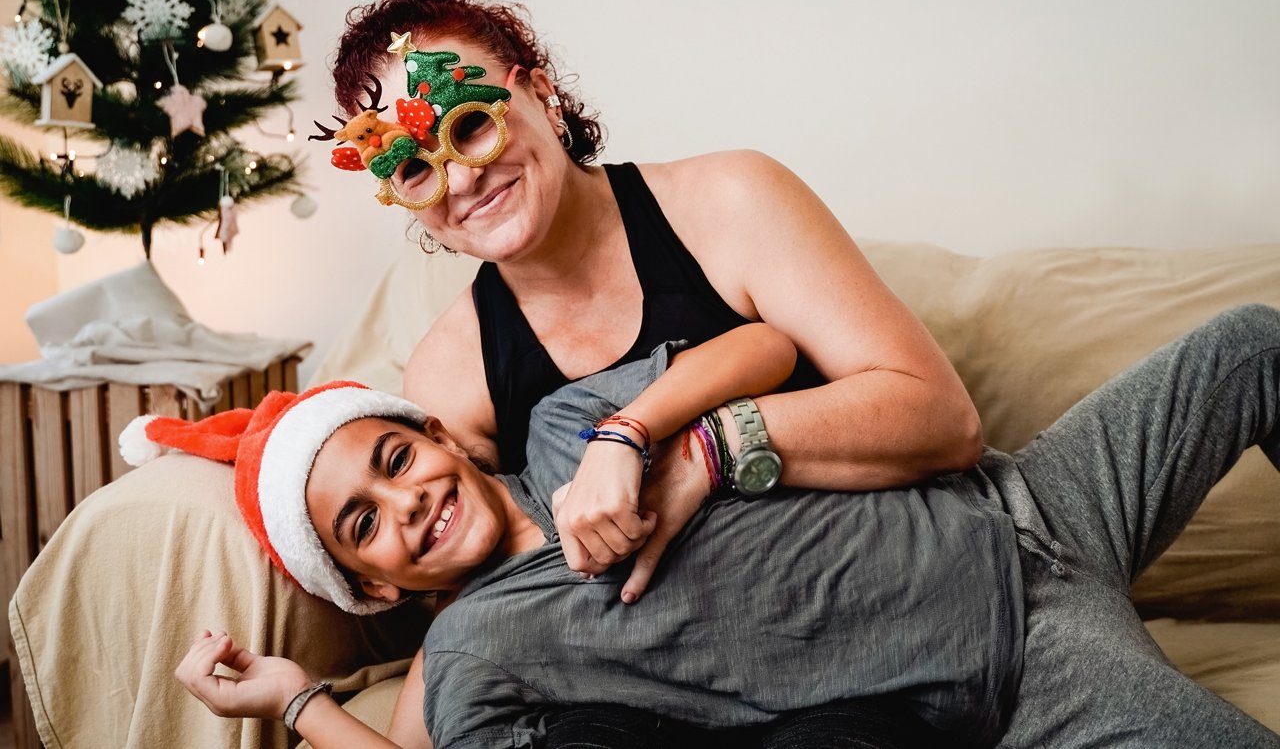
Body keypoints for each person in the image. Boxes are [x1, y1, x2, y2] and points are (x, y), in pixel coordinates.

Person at [313, 0, 984, 744]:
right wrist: (306, 707)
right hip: (651, 703)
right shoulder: (450, 377)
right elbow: (487, 604)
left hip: (862, 635)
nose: (462, 178)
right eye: (414, 166)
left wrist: (695, 449)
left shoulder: (730, 202)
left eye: (469, 126)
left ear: (540, 95)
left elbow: (943, 420)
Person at [170, 306, 1280, 748]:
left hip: (1029, 494)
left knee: (1250, 344)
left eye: (395, 457)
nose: (405, 499)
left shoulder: (570, 421)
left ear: (440, 437)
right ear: (372, 586)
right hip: (1015, 655)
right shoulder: (472, 652)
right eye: (363, 522)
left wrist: (636, 431)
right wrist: (296, 700)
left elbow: (761, 345)